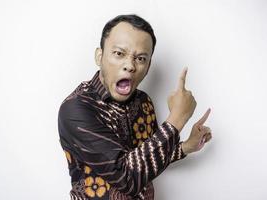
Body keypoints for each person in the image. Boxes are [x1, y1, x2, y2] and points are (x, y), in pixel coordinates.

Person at [58, 14, 212, 200]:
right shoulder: (76, 109)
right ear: (99, 56)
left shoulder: (143, 102)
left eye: (140, 59)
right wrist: (178, 117)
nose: (130, 66)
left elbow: (149, 158)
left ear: (148, 66)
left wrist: (187, 146)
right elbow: (127, 178)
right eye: (119, 53)